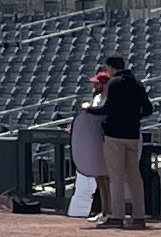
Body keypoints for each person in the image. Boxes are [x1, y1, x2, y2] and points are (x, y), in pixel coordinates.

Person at [97, 56, 155, 227]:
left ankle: (117, 215)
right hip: (132, 135)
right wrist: (135, 118)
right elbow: (148, 108)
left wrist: (93, 113)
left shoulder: (113, 83)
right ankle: (139, 216)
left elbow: (108, 108)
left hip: (114, 135)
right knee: (134, 177)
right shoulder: (137, 83)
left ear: (111, 67)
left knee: (116, 177)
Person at [65, 66, 105, 222]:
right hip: (90, 144)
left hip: (101, 144)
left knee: (100, 183)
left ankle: (107, 212)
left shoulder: (105, 100)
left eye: (98, 83)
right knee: (85, 184)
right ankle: (79, 213)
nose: (94, 86)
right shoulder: (96, 99)